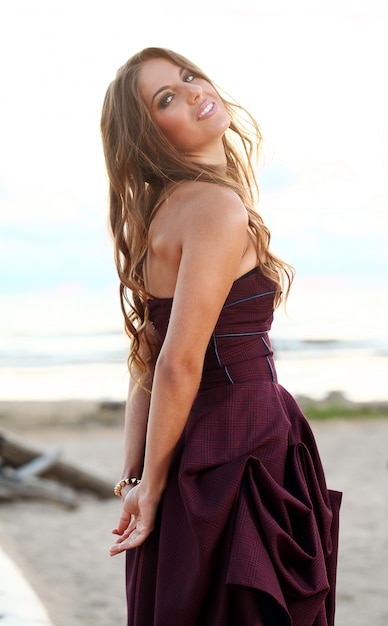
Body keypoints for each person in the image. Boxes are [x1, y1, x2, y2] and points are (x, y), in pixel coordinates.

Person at [100, 47, 341, 626]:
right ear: (149, 136)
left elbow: (146, 365)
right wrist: (151, 491)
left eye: (187, 76)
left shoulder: (158, 214)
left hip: (188, 446)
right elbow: (176, 364)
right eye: (166, 99)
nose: (192, 91)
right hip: (241, 450)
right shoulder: (215, 207)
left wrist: (137, 476)